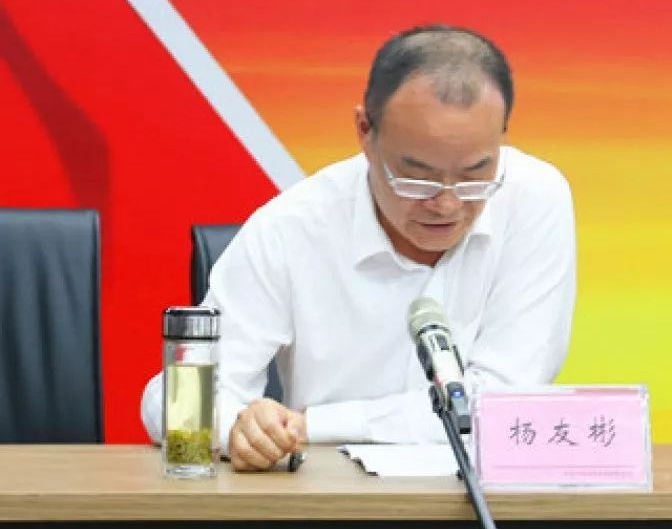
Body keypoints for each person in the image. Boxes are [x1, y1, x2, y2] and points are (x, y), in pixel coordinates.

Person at [141, 24, 576, 471]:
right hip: (329, 495)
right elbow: (170, 402)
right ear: (365, 131)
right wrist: (239, 428)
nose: (446, 204)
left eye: (474, 175)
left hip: (485, 498)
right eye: (417, 177)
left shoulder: (533, 200)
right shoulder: (291, 228)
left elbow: (501, 405)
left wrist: (314, 424)